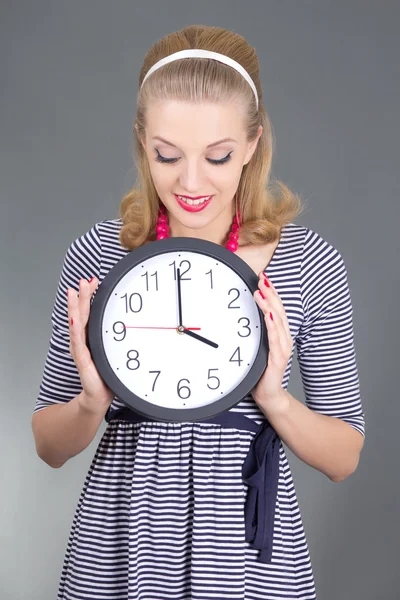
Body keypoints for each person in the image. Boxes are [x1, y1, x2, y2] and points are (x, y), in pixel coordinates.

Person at [31, 24, 365, 600]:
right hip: (119, 547)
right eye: (166, 154)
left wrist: (274, 400)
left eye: (217, 156)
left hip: (250, 558)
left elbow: (344, 456)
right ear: (142, 142)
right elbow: (48, 444)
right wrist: (91, 401)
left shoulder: (309, 264)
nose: (189, 181)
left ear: (253, 144)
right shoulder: (99, 255)